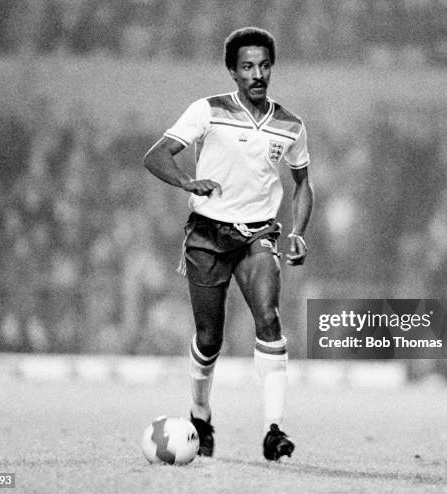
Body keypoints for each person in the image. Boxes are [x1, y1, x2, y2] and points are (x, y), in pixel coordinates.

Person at [143, 26, 313, 461]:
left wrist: (296, 232)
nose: (257, 74)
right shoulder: (208, 111)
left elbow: (302, 184)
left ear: (272, 68)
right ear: (233, 72)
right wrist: (186, 180)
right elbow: (156, 155)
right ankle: (200, 414)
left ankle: (273, 430)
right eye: (247, 67)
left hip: (259, 233)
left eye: (264, 66)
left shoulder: (291, 126)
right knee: (209, 336)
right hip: (207, 234)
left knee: (269, 319)